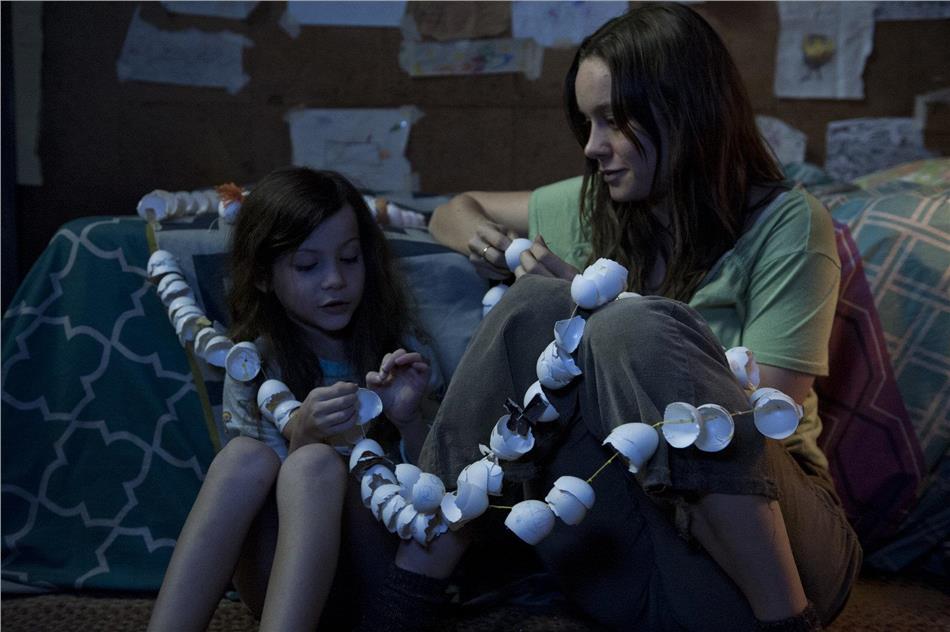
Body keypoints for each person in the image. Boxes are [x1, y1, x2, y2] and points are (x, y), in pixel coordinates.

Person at [406, 4, 861, 631]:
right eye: (587, 122)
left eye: (613, 120)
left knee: (628, 326)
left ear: (687, 110)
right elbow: (453, 210)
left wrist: (607, 313)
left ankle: (788, 625)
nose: (593, 147)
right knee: (534, 305)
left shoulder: (789, 223)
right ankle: (408, 587)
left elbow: (761, 416)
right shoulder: (597, 202)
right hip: (642, 543)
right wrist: (495, 247)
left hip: (776, 548)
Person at [147, 167, 441, 631]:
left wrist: (408, 419)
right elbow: (264, 491)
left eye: (350, 259)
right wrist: (301, 434)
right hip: (279, 579)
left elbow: (439, 502)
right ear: (264, 276)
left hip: (375, 578)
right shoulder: (254, 365)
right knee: (245, 456)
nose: (335, 280)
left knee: (315, 463)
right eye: (307, 266)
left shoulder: (401, 357)